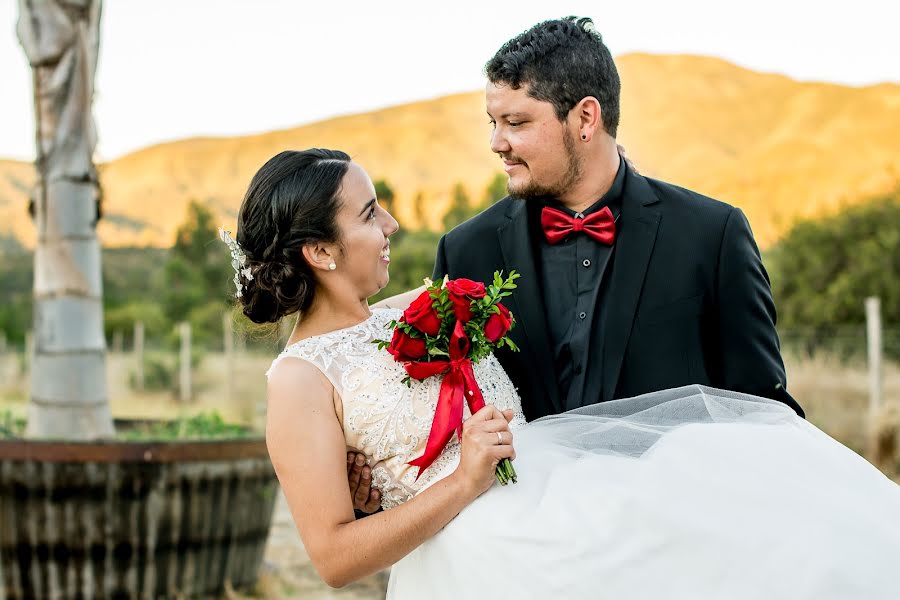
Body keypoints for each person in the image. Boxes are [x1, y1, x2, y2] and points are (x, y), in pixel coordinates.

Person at [235, 148, 900, 599]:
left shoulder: (420, 307)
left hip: (570, 493)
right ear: (320, 250)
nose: (392, 224)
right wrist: (461, 483)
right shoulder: (299, 380)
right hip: (489, 562)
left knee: (765, 530)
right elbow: (332, 558)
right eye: (369, 212)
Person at [350, 15, 804, 511]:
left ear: (586, 118)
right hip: (523, 546)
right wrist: (377, 490)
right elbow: (435, 414)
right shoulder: (466, 250)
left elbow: (763, 411)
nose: (497, 143)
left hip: (677, 538)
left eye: (516, 123)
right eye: (493, 123)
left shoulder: (711, 235)